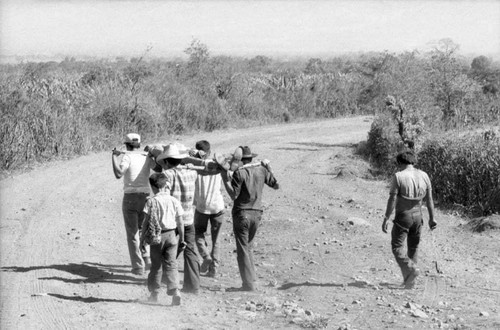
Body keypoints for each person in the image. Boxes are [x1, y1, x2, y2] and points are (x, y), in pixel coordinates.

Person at [221, 146, 279, 291]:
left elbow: (234, 195)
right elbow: (276, 185)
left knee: (242, 249)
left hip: (242, 213)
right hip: (257, 213)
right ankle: (251, 279)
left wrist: (225, 181)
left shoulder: (239, 173)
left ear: (241, 160)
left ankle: (248, 284)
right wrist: (269, 167)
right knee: (249, 247)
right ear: (251, 158)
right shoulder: (262, 170)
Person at [382, 150, 437, 289]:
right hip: (418, 217)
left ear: (399, 163)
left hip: (403, 216)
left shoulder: (398, 176)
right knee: (413, 247)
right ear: (413, 162)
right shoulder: (424, 175)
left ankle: (411, 269)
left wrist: (386, 217)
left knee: (397, 247)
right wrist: (432, 218)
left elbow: (393, 198)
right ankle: (409, 282)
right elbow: (429, 199)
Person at [156, 144, 201, 294]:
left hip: (172, 220)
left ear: (167, 161)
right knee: (190, 251)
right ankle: (193, 285)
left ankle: (166, 279)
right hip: (188, 217)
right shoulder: (192, 173)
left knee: (167, 250)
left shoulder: (168, 175)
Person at [112, 133, 156, 275]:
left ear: (126, 144)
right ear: (139, 144)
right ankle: (147, 258)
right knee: (144, 229)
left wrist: (113, 157)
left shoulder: (127, 157)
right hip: (145, 196)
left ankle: (138, 266)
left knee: (132, 233)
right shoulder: (146, 156)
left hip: (131, 197)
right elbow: (158, 169)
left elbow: (119, 174)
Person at [139, 173, 185, 305]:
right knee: (171, 265)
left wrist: (142, 239)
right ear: (165, 185)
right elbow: (180, 222)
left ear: (153, 186)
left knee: (156, 265)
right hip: (172, 236)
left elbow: (146, 222)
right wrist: (181, 239)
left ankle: (154, 293)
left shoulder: (151, 201)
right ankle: (175, 291)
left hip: (157, 237)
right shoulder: (174, 200)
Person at [191, 140, 225, 278]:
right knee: (216, 239)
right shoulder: (219, 164)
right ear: (209, 151)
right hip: (217, 206)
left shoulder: (194, 165)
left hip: (201, 206)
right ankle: (214, 268)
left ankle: (205, 255)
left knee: (198, 234)